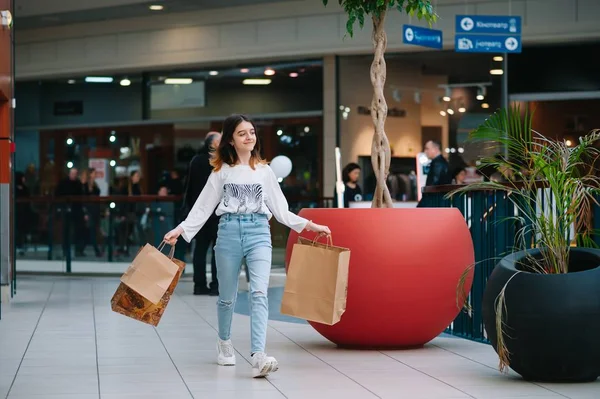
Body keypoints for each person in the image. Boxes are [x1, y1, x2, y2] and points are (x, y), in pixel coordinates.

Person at [164, 114, 331, 378]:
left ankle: (258, 355)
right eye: (242, 133)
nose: (249, 137)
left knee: (259, 294)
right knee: (227, 298)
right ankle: (224, 343)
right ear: (230, 139)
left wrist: (310, 226)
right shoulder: (221, 172)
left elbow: (281, 210)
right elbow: (203, 207)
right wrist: (180, 230)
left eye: (252, 132)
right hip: (228, 232)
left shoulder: (265, 171)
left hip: (259, 233)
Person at [181, 131, 222, 296]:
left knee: (200, 249)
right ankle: (215, 285)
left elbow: (189, 188)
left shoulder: (196, 161)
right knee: (216, 250)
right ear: (213, 144)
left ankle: (199, 285)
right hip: (217, 213)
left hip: (199, 212)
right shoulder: (219, 161)